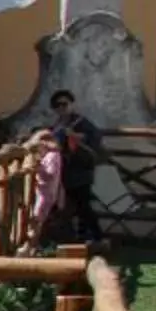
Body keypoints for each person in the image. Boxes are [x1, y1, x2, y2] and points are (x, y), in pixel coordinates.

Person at [45, 90, 106, 245]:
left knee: (83, 205)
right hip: (64, 172)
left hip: (81, 170)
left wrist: (78, 137)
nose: (61, 108)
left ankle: (97, 236)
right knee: (69, 206)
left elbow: (96, 138)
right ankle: (78, 237)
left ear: (71, 105)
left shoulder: (82, 122)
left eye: (64, 104)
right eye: (58, 105)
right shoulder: (57, 125)